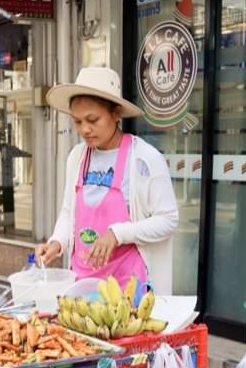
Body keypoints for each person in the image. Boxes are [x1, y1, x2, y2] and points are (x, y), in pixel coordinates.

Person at [34, 67, 179, 294]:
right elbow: (67, 212)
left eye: (92, 119)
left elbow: (168, 220)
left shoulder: (144, 158)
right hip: (81, 283)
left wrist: (118, 234)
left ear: (116, 113)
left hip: (128, 288)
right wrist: (56, 243)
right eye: (78, 121)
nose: (85, 129)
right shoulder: (77, 157)